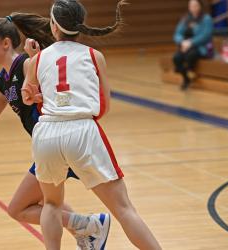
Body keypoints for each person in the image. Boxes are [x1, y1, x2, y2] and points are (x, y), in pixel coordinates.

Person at [0, 13, 111, 249]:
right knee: (45, 202)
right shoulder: (2, 82)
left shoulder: (29, 64)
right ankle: (89, 227)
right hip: (47, 147)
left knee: (19, 208)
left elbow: (61, 95)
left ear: (6, 43)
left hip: (60, 141)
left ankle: (90, 225)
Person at [21, 0, 162, 249]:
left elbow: (29, 97)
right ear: (79, 26)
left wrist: (36, 69)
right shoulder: (94, 56)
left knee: (52, 204)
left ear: (54, 26)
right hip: (81, 130)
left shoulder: (37, 59)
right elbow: (104, 105)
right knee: (123, 208)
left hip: (46, 132)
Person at [173, 0, 213, 90]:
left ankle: (185, 71)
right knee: (177, 58)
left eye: (195, 5)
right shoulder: (186, 19)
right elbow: (177, 34)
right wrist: (182, 42)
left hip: (200, 47)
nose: (193, 8)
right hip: (185, 46)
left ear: (200, 6)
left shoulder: (206, 19)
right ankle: (186, 78)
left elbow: (205, 36)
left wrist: (191, 43)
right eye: (191, 6)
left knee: (190, 56)